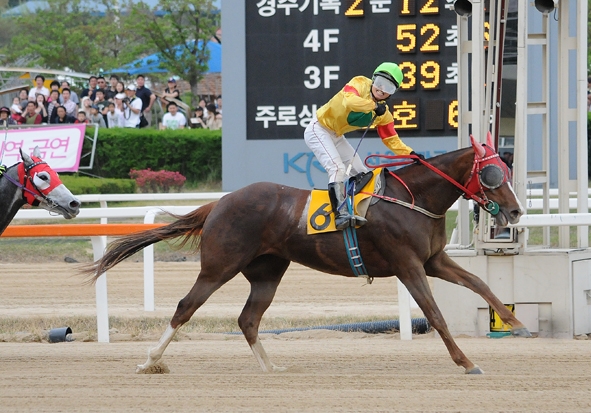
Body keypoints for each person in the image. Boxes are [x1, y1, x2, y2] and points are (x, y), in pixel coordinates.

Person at [304, 62, 421, 230]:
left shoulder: (384, 115)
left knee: (363, 174)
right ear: (373, 79)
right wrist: (374, 106)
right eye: (380, 83)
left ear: (392, 92)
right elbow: (349, 102)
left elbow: (391, 140)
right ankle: (340, 214)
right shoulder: (359, 83)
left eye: (388, 87)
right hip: (318, 129)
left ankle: (355, 209)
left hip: (336, 136)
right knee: (337, 168)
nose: (381, 89)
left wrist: (411, 154)